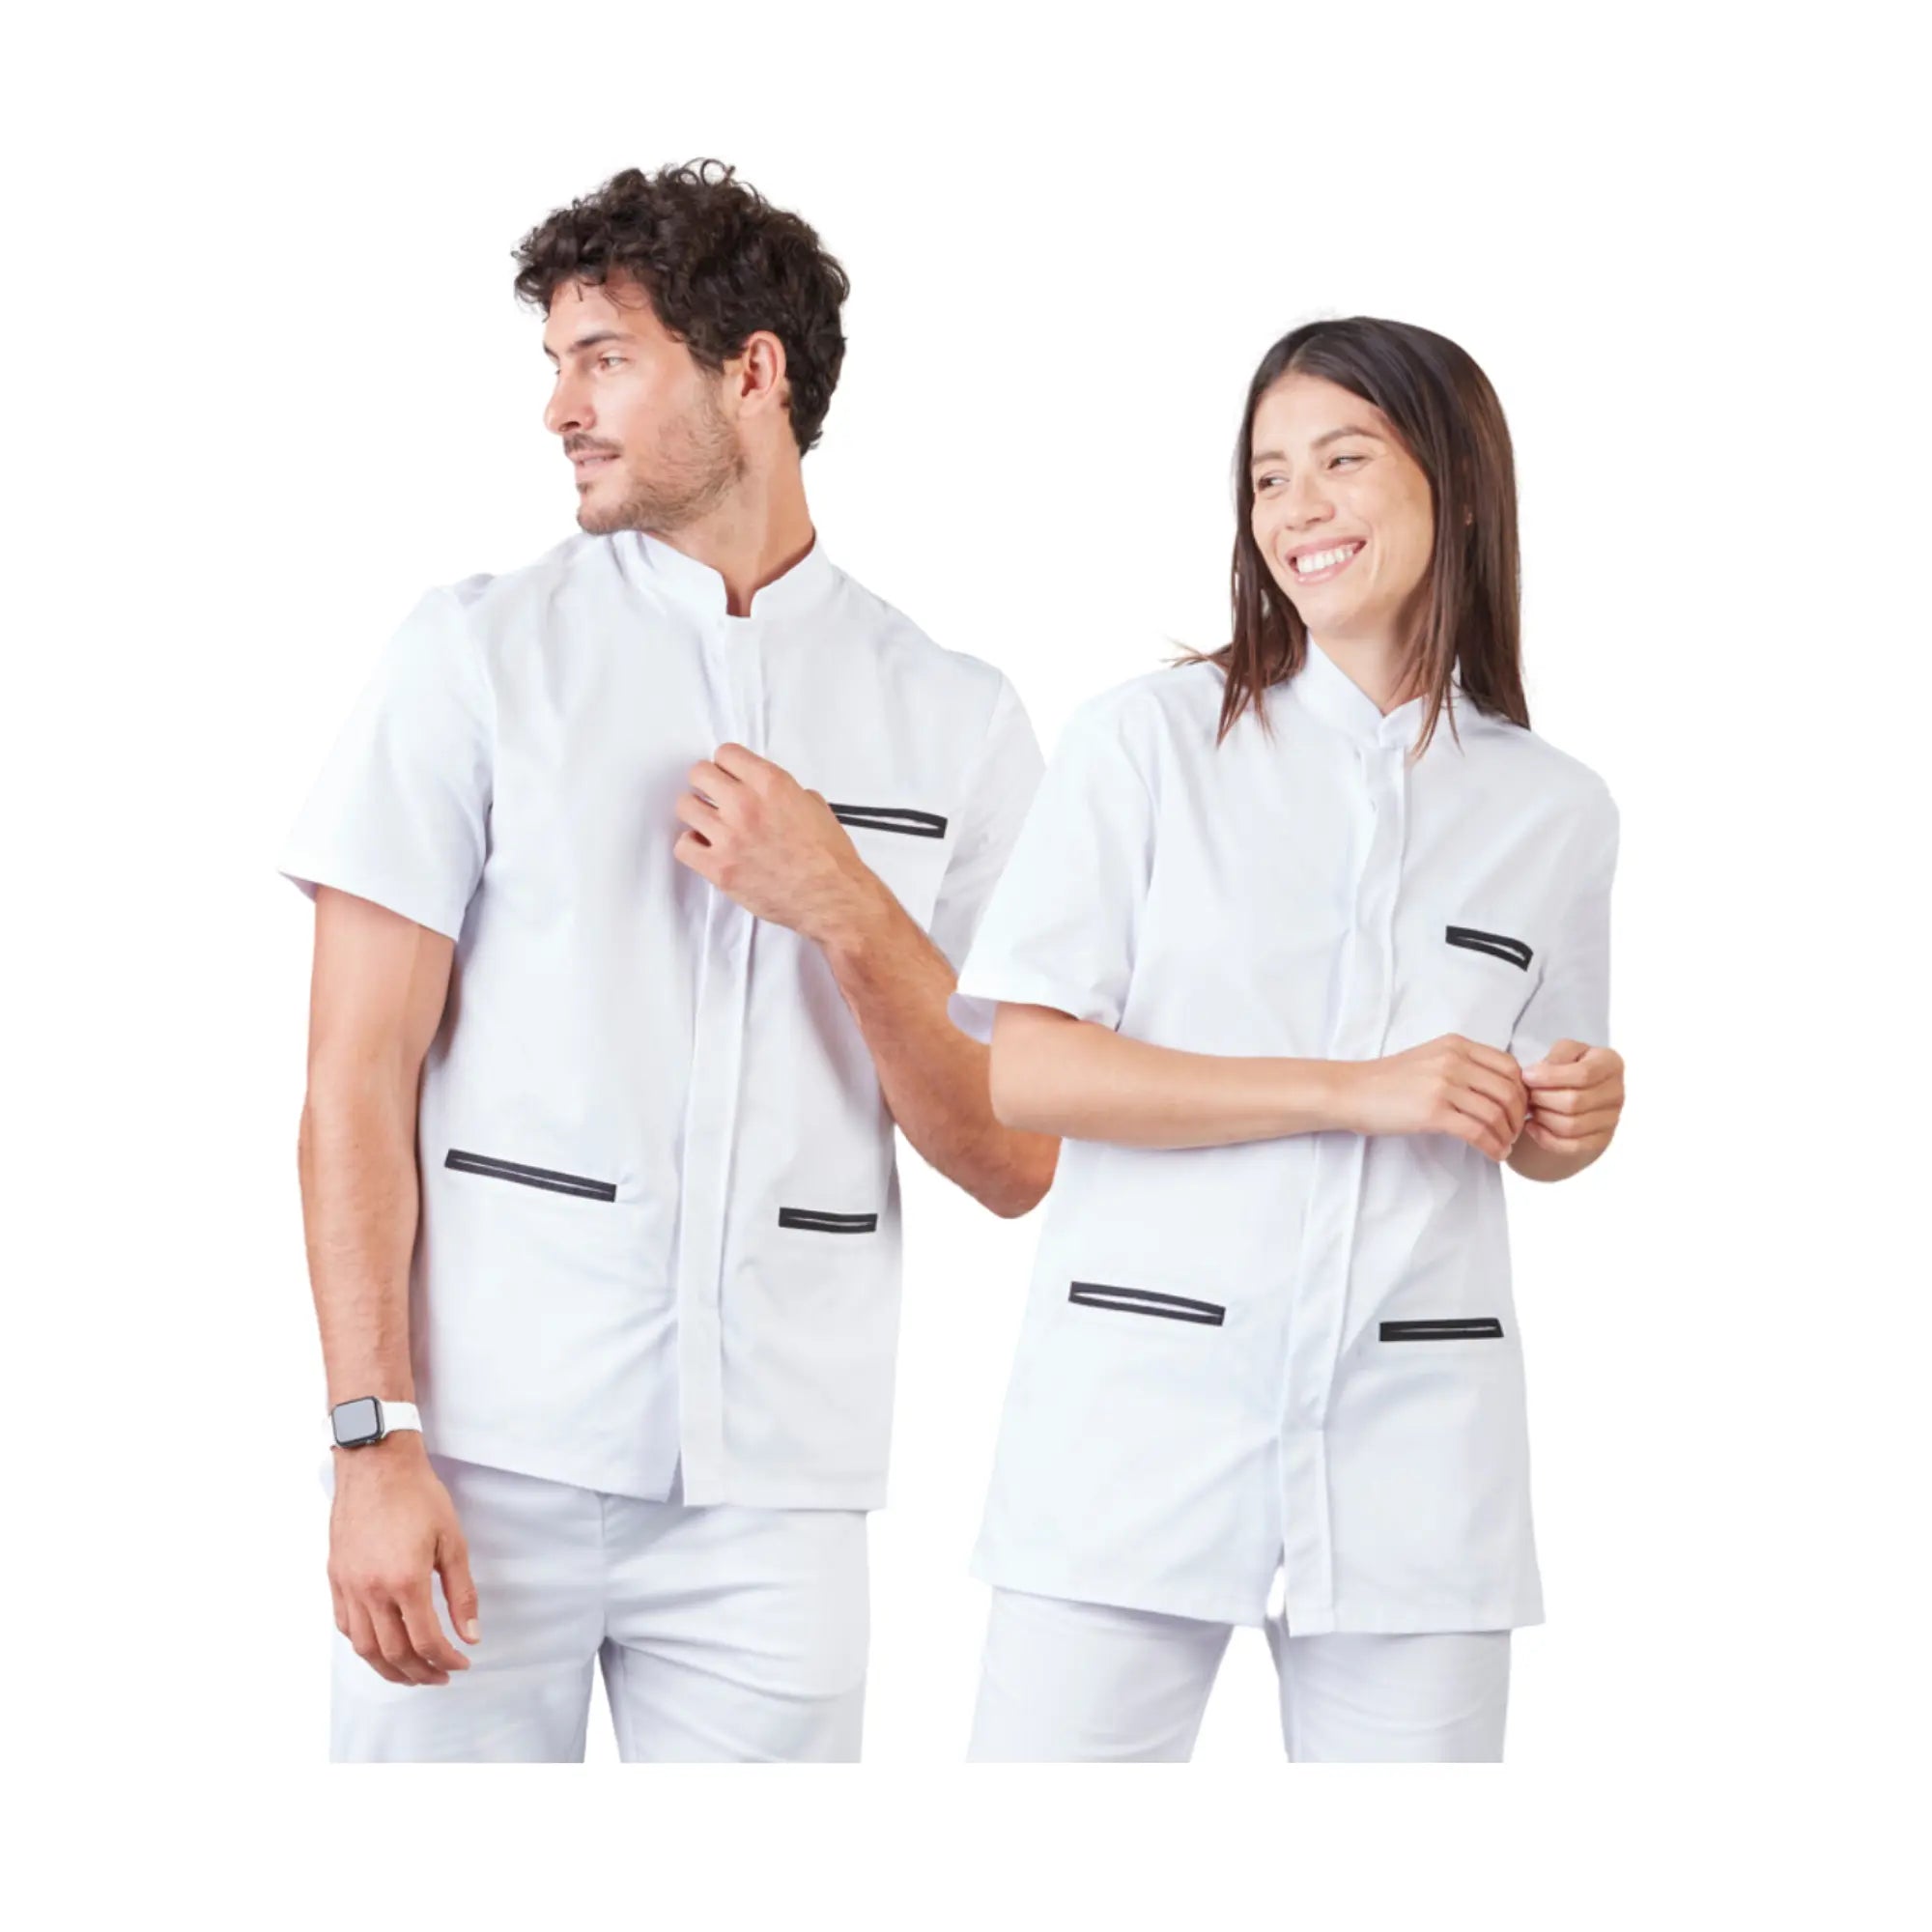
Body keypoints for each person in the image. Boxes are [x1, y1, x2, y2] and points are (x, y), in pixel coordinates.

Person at [277, 159, 1056, 1762]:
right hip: (483, 1457)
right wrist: (371, 1442)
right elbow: (352, 1079)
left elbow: (1013, 1154)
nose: (559, 407)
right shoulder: (476, 656)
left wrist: (846, 905)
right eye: (556, 362)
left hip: (781, 1496)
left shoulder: (956, 715)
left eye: (605, 358)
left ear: (750, 373)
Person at [946, 317, 1624, 1762]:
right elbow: (1032, 1070)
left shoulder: (1555, 808)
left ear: (1458, 485)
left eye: (1342, 461)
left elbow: (1533, 1118)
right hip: (1133, 1430)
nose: (1297, 508)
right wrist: (1356, 1090)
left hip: (1418, 1454)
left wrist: (1572, 1121)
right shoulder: (1145, 744)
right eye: (1267, 477)